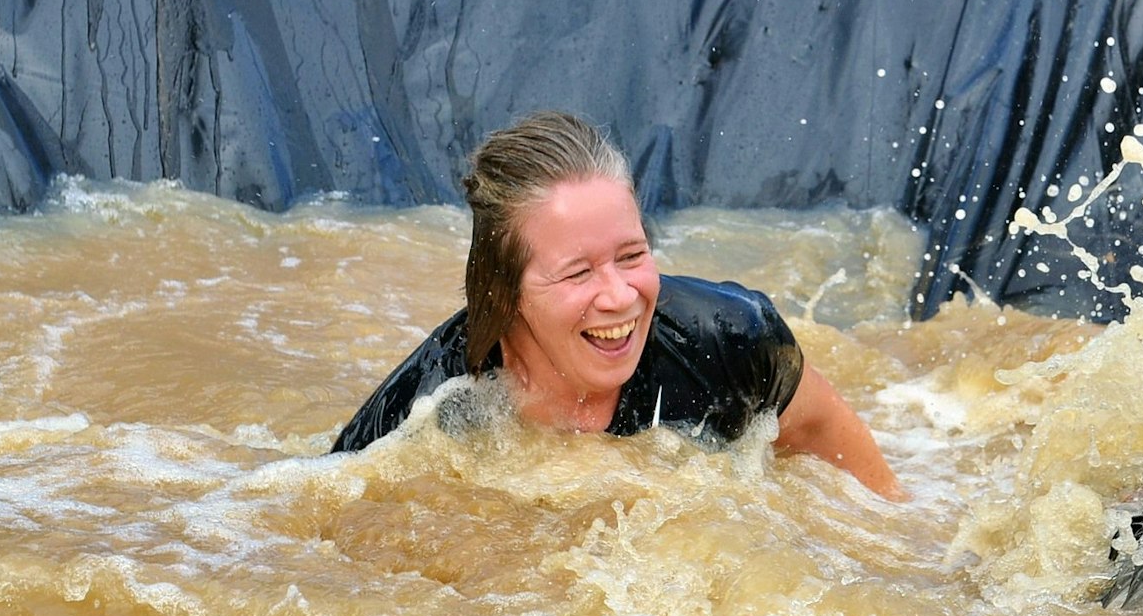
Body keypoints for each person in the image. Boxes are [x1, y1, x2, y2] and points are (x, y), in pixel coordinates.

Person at [331, 111, 907, 501]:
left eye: (631, 255)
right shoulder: (432, 409)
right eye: (578, 272)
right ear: (505, 295)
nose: (620, 296)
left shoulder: (729, 340)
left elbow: (867, 495)